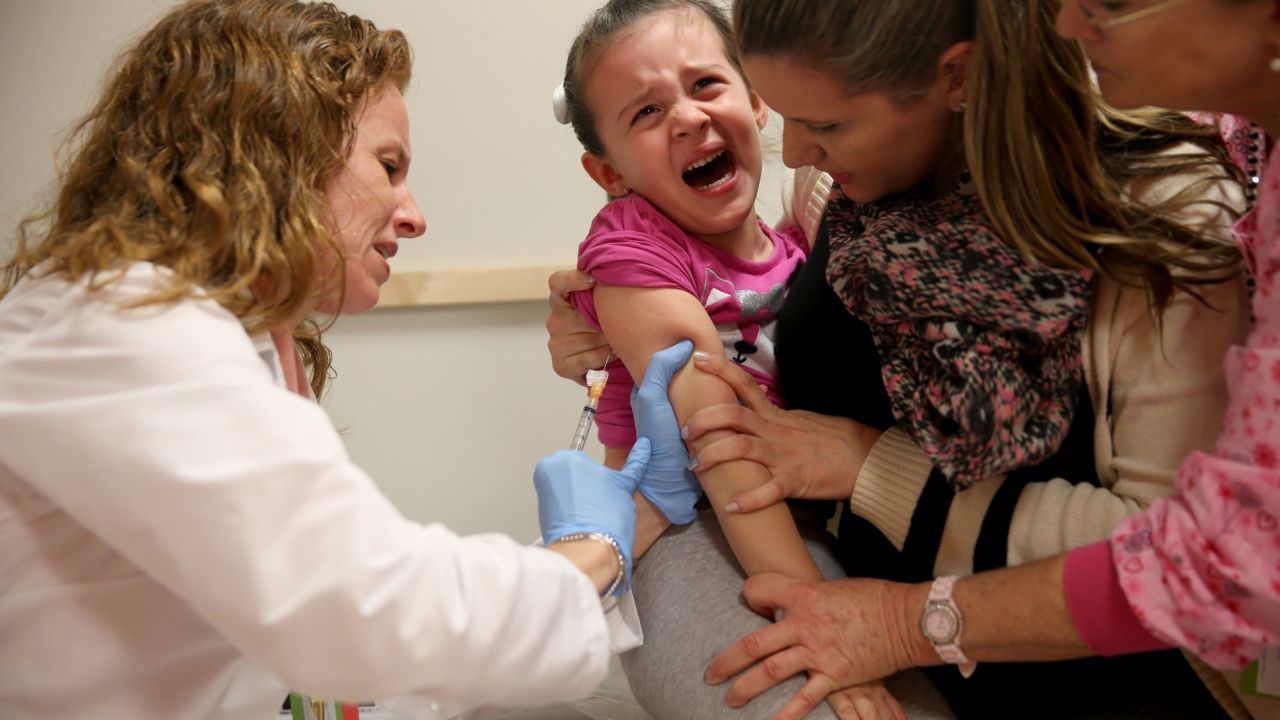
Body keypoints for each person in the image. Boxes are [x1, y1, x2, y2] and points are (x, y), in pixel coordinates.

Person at [546, 0, 1256, 717]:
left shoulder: (1166, 225)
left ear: (958, 79)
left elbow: (1171, 558)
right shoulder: (838, 184)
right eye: (787, 114)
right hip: (842, 583)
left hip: (1078, 664)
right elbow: (734, 359)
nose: (793, 151)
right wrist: (615, 325)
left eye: (824, 123)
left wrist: (869, 473)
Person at [0, 1, 702, 718]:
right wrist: (594, 551)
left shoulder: (227, 335)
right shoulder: (122, 324)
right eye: (389, 167)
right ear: (278, 149)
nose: (414, 215)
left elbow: (349, 659)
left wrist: (631, 517)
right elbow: (362, 614)